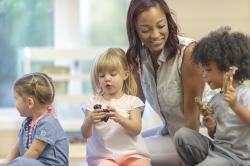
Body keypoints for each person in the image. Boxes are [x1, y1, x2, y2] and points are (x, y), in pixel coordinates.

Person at [126, 0, 204, 165]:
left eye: (160, 26)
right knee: (120, 146)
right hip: (170, 131)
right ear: (135, 31)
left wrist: (187, 159)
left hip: (198, 137)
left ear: (168, 22)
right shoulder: (138, 57)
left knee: (127, 156)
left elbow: (193, 117)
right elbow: (136, 108)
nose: (155, 35)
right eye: (145, 30)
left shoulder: (188, 53)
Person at [174, 27, 250, 166]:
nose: (204, 75)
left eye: (208, 70)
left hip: (237, 159)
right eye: (202, 70)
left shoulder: (245, 95)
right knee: (182, 135)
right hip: (216, 150)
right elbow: (216, 136)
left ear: (228, 68)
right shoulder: (215, 100)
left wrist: (235, 105)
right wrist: (212, 128)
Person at [80, 48, 151, 166]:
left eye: (113, 74)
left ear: (125, 75)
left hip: (133, 155)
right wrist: (89, 120)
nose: (107, 78)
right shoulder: (92, 103)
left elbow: (136, 129)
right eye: (102, 75)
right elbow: (85, 134)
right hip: (104, 157)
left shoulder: (133, 102)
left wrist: (120, 118)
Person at [0, 72, 69, 166]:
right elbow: (17, 147)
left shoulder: (48, 123)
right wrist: (5, 162)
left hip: (49, 164)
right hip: (35, 163)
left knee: (21, 162)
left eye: (16, 98)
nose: (14, 102)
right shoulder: (28, 122)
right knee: (18, 161)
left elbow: (34, 152)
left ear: (30, 102)